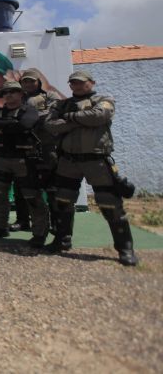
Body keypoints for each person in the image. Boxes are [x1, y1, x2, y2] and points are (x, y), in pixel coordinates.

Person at [44, 70, 138, 266]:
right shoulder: (61, 104)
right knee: (62, 201)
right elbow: (50, 125)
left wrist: (69, 119)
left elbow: (99, 116)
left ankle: (125, 249)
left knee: (109, 203)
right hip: (68, 161)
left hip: (96, 161)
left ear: (91, 83)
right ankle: (62, 240)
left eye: (81, 82)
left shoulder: (103, 99)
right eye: (73, 83)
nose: (77, 86)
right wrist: (79, 122)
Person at [0, 81, 49, 246]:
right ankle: (0, 227)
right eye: (5, 92)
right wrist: (13, 124)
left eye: (13, 91)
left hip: (24, 159)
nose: (9, 95)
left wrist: (3, 127)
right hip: (2, 158)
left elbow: (25, 125)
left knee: (31, 197)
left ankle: (39, 234)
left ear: (21, 94)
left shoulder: (29, 110)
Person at [20, 69, 63, 234]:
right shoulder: (19, 98)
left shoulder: (50, 96)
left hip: (47, 147)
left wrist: (28, 118)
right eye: (25, 81)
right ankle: (23, 221)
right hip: (26, 148)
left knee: (52, 187)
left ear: (38, 82)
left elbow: (53, 113)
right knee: (25, 187)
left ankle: (56, 222)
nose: (29, 84)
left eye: (32, 81)